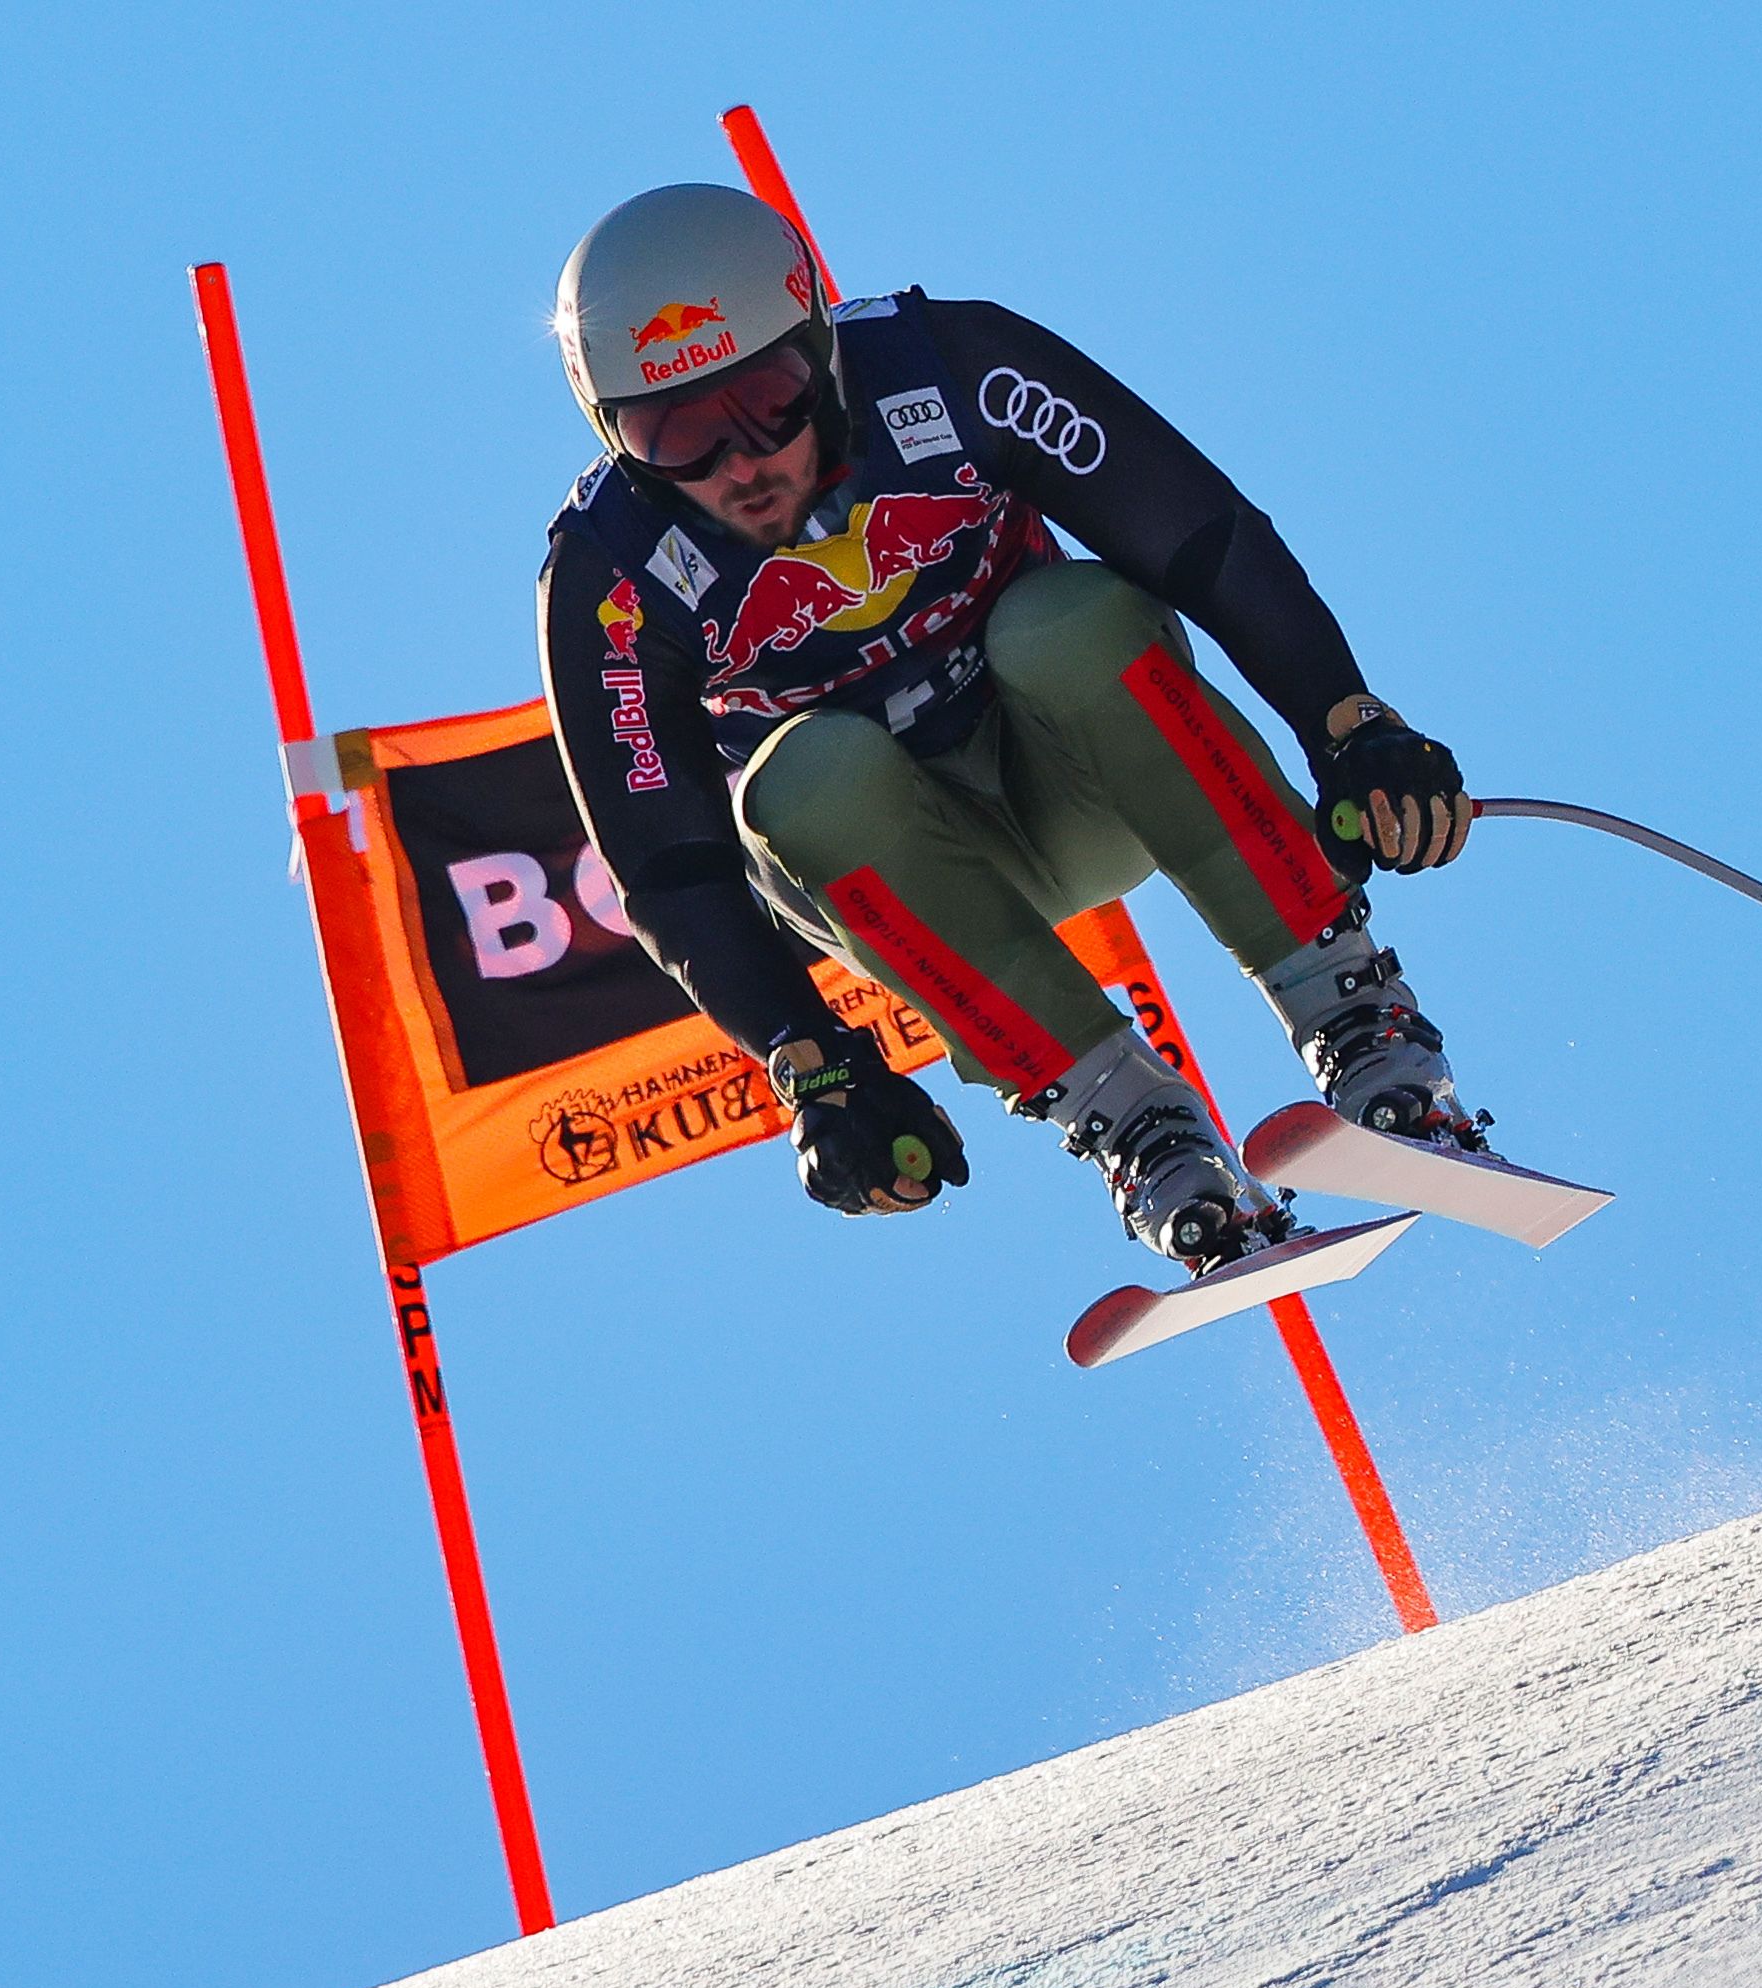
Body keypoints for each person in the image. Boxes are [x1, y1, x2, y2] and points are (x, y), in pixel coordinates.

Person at [538, 183, 1480, 1271]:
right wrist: (814, 1066)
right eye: (678, 434)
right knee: (805, 776)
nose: (742, 461)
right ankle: (1136, 1129)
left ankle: (1354, 1012)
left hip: (1082, 772)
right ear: (611, 433)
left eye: (769, 399)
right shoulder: (610, 576)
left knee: (1065, 621)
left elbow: (1197, 536)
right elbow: (665, 861)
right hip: (897, 876)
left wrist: (1346, 722)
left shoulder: (955, 369)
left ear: (818, 342)